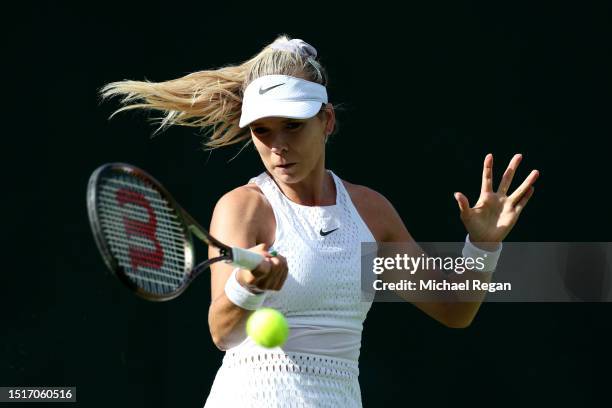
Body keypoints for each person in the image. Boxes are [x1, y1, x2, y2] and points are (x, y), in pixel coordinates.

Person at [100, 34, 539, 407]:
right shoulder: (244, 208)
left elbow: (454, 309)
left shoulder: (370, 213)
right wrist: (246, 287)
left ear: (326, 121)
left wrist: (483, 246)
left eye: (292, 126)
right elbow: (222, 332)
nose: (277, 146)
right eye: (262, 131)